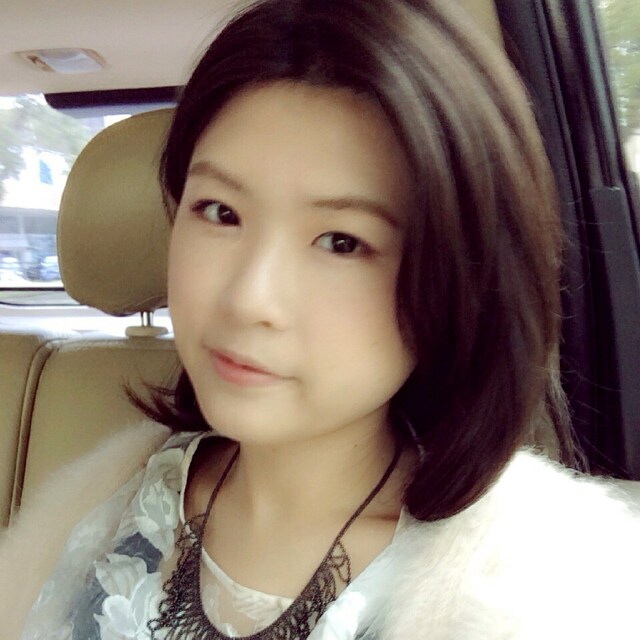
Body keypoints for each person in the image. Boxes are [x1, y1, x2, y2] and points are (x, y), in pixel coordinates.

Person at [2, 0, 640, 638]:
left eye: (342, 242)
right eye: (220, 212)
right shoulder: (87, 513)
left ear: (456, 280)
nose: (249, 299)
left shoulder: (547, 593)